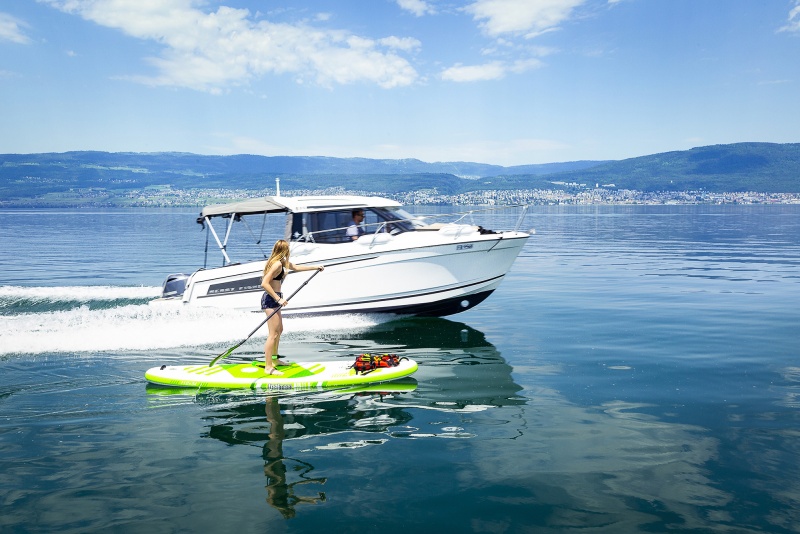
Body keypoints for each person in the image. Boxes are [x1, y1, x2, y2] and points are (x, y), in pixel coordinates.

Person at [261, 240, 324, 375]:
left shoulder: (281, 262)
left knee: (279, 330)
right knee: (273, 334)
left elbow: (295, 267)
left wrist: (315, 267)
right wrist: (278, 298)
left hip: (275, 299)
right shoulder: (277, 264)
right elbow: (264, 283)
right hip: (271, 299)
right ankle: (268, 367)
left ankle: (275, 359)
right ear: (284, 250)